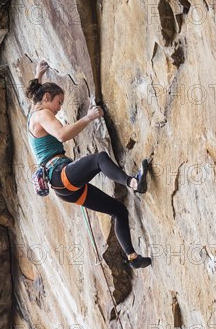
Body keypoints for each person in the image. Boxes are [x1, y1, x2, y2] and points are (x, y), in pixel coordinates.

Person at [25, 61, 151, 269]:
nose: (58, 109)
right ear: (47, 98)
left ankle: (132, 257)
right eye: (59, 102)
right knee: (99, 159)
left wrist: (38, 74)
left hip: (64, 189)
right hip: (59, 174)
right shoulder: (42, 114)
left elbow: (35, 97)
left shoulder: (34, 113)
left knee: (118, 211)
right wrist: (89, 117)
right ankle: (133, 182)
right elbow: (62, 134)